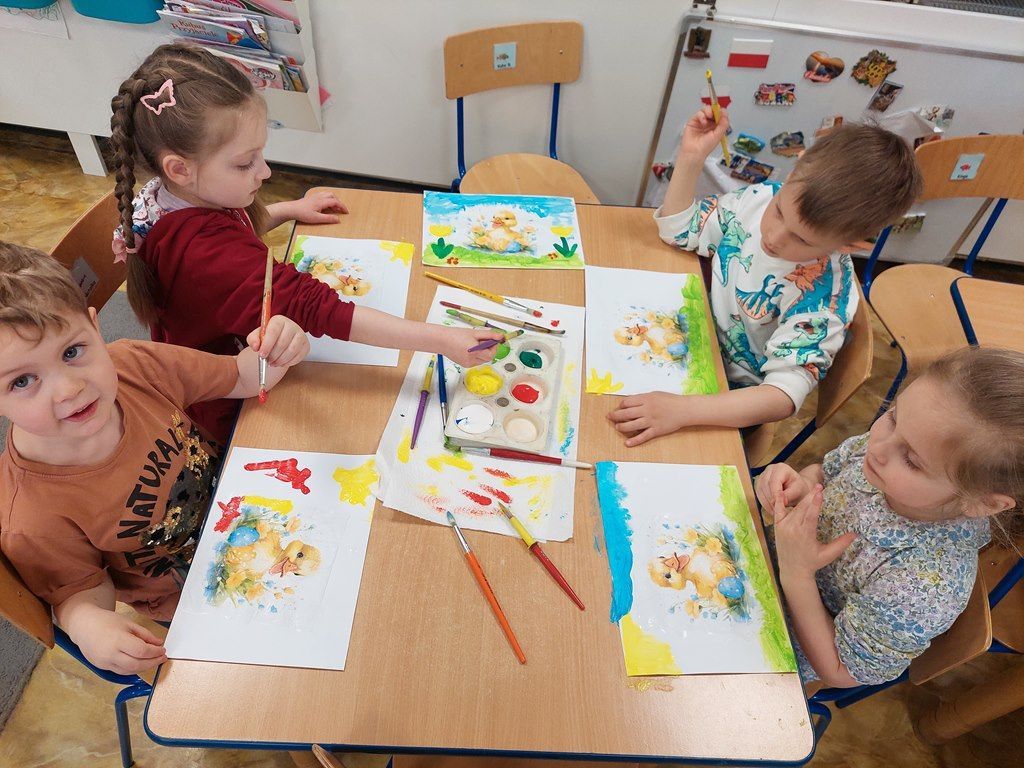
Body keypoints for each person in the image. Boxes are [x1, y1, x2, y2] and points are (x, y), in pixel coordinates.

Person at [0, 242, 309, 674]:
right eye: (22, 381)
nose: (69, 389)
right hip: (200, 597)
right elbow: (78, 593)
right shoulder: (30, 514)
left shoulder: (135, 365)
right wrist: (90, 626)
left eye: (72, 352)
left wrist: (278, 347)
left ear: (95, 328)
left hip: (263, 509)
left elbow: (240, 375)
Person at [609, 107, 921, 446]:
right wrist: (691, 157)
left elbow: (781, 396)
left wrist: (683, 410)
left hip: (723, 400)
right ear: (793, 172)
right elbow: (680, 230)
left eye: (802, 240)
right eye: (780, 212)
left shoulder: (822, 301)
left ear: (851, 245)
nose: (773, 236)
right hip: (687, 336)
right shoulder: (759, 199)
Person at [756, 347, 1024, 686]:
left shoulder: (925, 588)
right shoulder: (892, 445)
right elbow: (825, 472)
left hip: (776, 645)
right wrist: (802, 485)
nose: (878, 447)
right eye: (894, 416)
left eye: (911, 461)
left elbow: (840, 671)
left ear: (983, 503)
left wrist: (797, 574)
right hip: (761, 560)